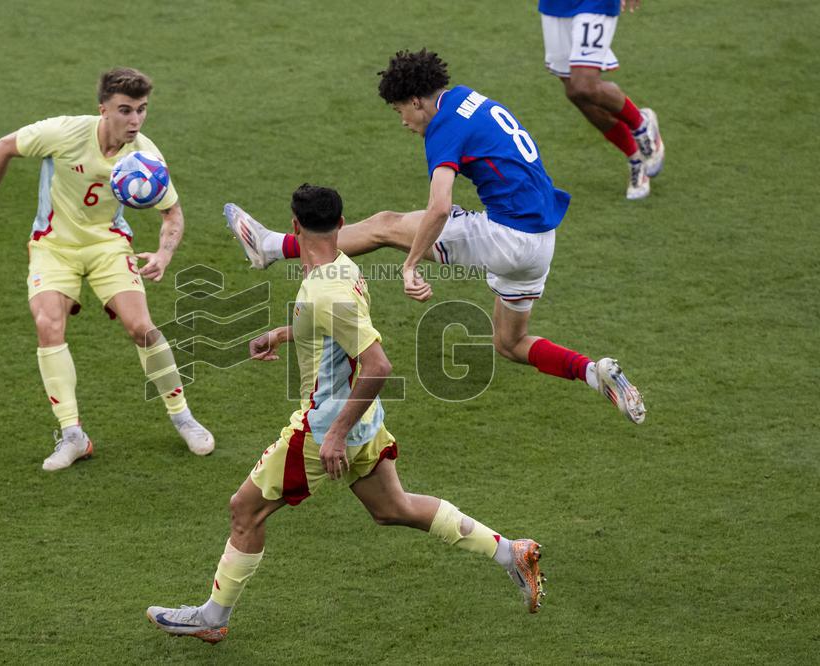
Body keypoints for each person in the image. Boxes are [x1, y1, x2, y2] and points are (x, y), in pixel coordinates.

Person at [146, 185, 546, 644]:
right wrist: (281, 334)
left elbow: (378, 366)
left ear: (295, 227)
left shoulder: (325, 290)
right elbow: (340, 334)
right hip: (366, 422)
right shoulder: (344, 267)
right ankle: (509, 552)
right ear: (340, 224)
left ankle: (212, 618)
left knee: (244, 512)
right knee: (393, 508)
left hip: (324, 427)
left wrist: (335, 434)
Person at [224, 50, 646, 424]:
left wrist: (410, 264)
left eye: (399, 112)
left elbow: (441, 206)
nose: (404, 122)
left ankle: (271, 248)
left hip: (507, 235)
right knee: (510, 342)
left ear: (415, 100)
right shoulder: (466, 97)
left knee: (386, 225)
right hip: (540, 242)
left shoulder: (442, 127)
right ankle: (595, 373)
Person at [0, 67, 214, 470]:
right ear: (103, 109)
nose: (135, 121)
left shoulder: (145, 158)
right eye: (125, 110)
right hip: (54, 246)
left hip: (108, 245)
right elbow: (3, 147)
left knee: (141, 326)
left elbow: (172, 213)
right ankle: (73, 436)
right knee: (48, 324)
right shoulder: (66, 133)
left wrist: (164, 254)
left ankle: (184, 418)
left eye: (142, 110)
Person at [539, 0, 665, 199]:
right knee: (575, 91)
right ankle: (635, 157)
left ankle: (641, 123)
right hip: (555, 5)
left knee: (585, 85)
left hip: (594, 3)